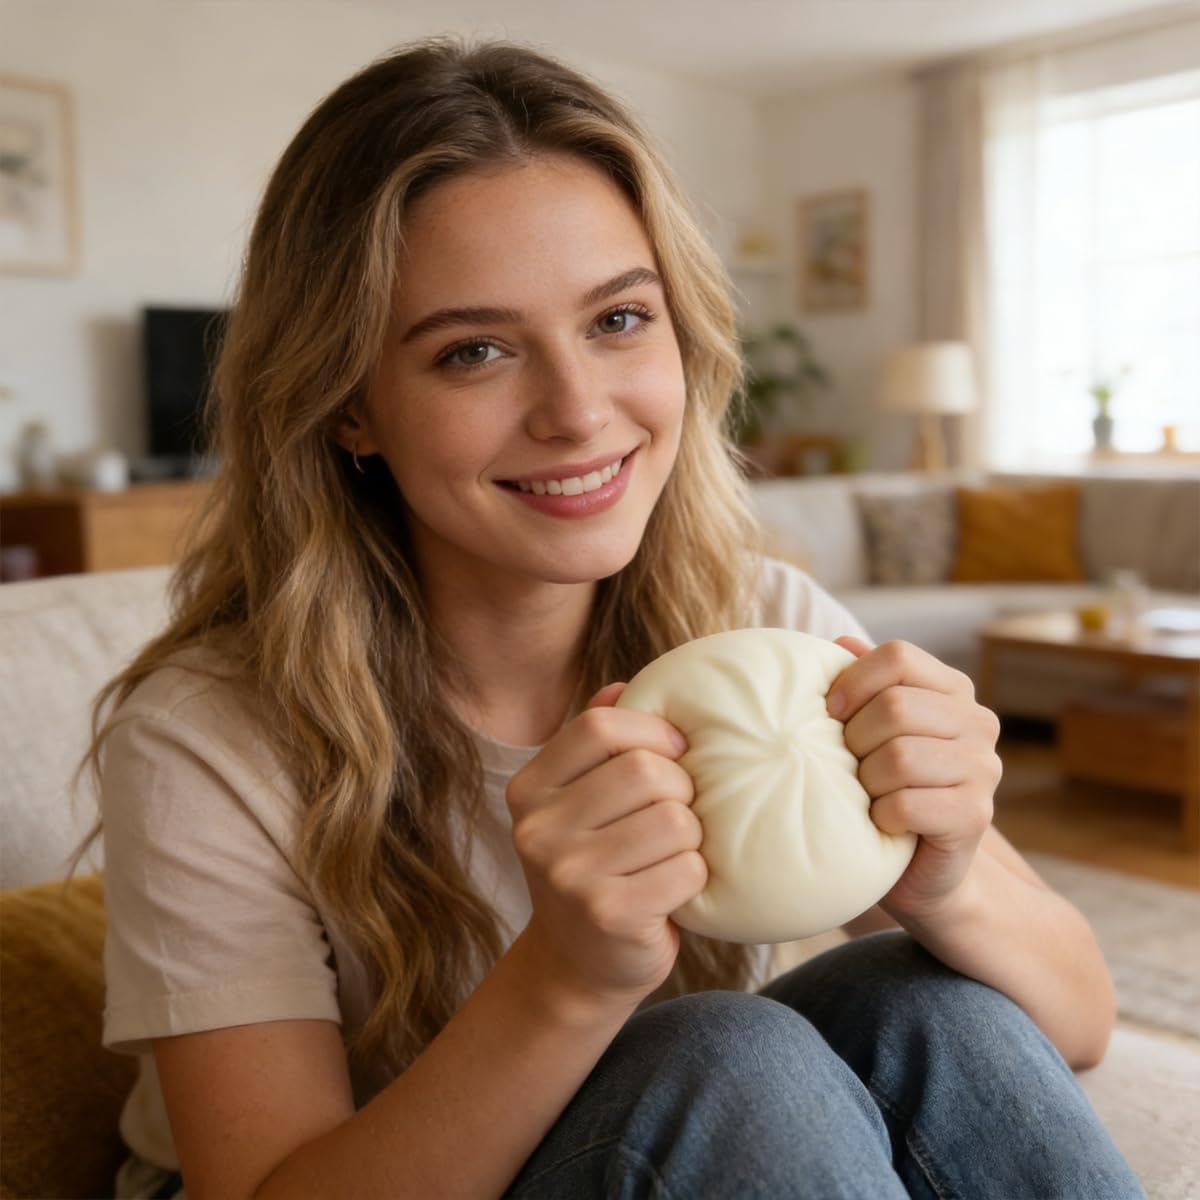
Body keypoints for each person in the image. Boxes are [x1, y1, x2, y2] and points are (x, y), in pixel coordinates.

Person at [82, 38, 1143, 1200]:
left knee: (929, 999)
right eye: (473, 351)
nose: (579, 412)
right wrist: (568, 978)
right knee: (727, 1055)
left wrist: (948, 883)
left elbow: (1077, 1022)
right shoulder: (211, 735)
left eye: (619, 320)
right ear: (349, 407)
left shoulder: (765, 628)